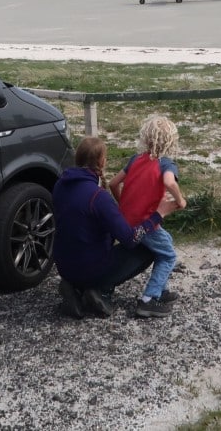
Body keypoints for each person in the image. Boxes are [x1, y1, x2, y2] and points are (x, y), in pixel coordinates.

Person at [52, 135, 181, 319]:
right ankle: (100, 290)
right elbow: (130, 238)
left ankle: (74, 287)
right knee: (147, 247)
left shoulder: (60, 185)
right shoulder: (98, 197)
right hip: (89, 269)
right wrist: (158, 214)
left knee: (84, 243)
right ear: (102, 161)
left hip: (63, 265)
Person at [107, 115, 186, 318]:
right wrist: (180, 200)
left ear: (146, 138)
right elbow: (169, 182)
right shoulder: (166, 164)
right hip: (146, 223)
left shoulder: (135, 159)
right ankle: (149, 299)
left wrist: (122, 204)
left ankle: (162, 289)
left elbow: (113, 183)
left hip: (126, 220)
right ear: (171, 141)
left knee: (165, 242)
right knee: (168, 255)